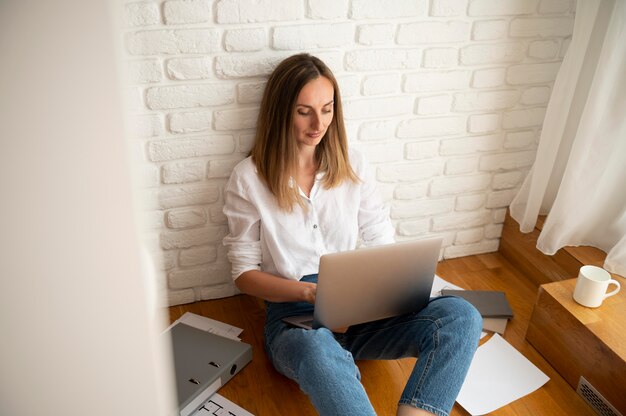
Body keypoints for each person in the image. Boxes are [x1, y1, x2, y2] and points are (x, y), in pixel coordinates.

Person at [223, 53, 482, 416]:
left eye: (327, 109)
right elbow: (243, 274)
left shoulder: (352, 163)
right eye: (304, 111)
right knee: (318, 350)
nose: (318, 123)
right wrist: (310, 293)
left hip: (361, 311)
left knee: (463, 316)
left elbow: (378, 235)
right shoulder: (249, 178)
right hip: (294, 319)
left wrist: (390, 290)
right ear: (280, 111)